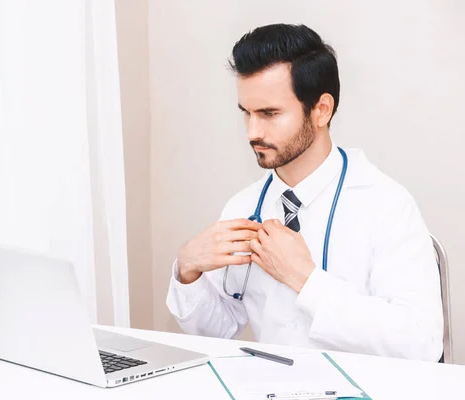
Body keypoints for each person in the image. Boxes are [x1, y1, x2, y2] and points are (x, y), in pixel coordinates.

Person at [166, 23, 444, 362]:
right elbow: (218, 331)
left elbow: (421, 344)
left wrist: (305, 280)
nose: (253, 132)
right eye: (247, 113)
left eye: (269, 114)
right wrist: (188, 269)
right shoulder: (243, 206)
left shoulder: (385, 204)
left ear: (321, 110)